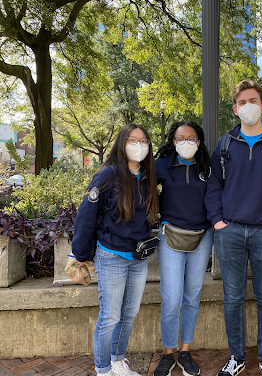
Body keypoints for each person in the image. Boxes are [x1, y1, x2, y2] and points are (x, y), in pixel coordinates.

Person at [205, 79, 262, 376]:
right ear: (235, 109)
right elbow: (214, 186)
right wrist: (218, 221)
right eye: (242, 102)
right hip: (229, 231)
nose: (248, 106)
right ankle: (237, 356)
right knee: (232, 297)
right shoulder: (226, 143)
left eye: (253, 101)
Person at [72, 124, 159, 376]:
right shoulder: (108, 176)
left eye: (144, 141)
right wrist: (80, 254)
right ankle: (103, 369)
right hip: (112, 256)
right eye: (132, 140)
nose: (139, 145)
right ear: (122, 143)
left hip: (138, 258)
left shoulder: (147, 176)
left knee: (129, 314)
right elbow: (86, 216)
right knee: (110, 316)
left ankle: (118, 362)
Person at [152, 121, 214, 376]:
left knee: (192, 295)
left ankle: (185, 350)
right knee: (171, 297)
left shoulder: (208, 169)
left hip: (202, 236)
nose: (186, 142)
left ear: (198, 142)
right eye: (180, 138)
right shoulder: (162, 166)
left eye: (191, 138)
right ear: (173, 141)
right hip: (170, 237)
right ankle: (169, 352)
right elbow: (137, 185)